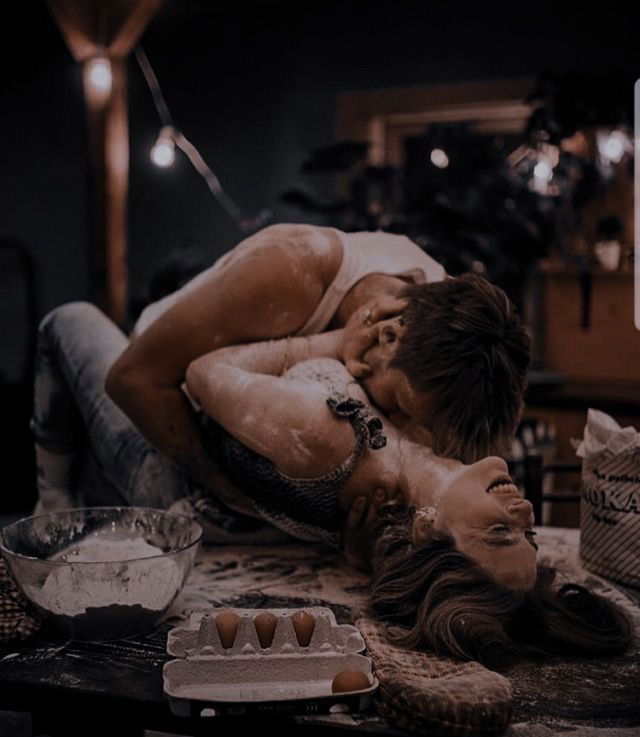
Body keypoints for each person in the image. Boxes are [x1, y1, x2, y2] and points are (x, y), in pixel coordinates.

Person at [181, 331, 632, 668]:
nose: (527, 511)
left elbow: (200, 372)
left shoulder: (330, 438)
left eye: (500, 531)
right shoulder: (443, 441)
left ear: (426, 527)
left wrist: (337, 340)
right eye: (529, 534)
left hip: (168, 449)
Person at [104, 223, 531, 503]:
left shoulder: (439, 313)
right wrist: (233, 498)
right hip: (156, 398)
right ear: (386, 336)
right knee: (73, 320)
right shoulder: (290, 272)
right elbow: (132, 380)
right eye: (398, 407)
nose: (396, 429)